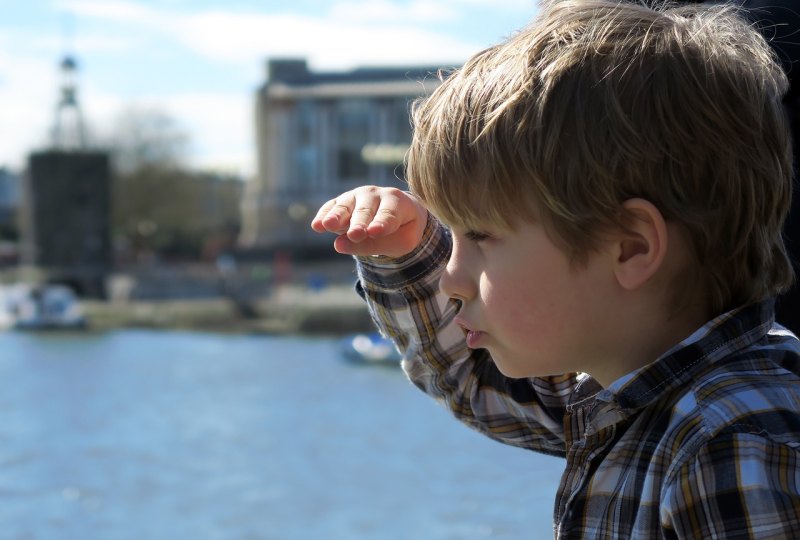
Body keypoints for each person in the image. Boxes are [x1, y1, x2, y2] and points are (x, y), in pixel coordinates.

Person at [311, 1, 800, 538]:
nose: (450, 278)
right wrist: (404, 255)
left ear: (630, 248)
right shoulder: (620, 381)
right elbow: (475, 379)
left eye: (480, 236)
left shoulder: (732, 445)